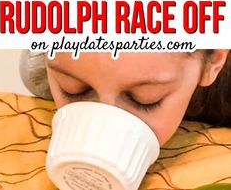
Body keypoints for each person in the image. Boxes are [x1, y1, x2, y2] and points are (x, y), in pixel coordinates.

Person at [20, 49, 231, 145]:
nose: (102, 131)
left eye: (145, 99)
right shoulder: (38, 71)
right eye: (73, 90)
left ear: (213, 63)